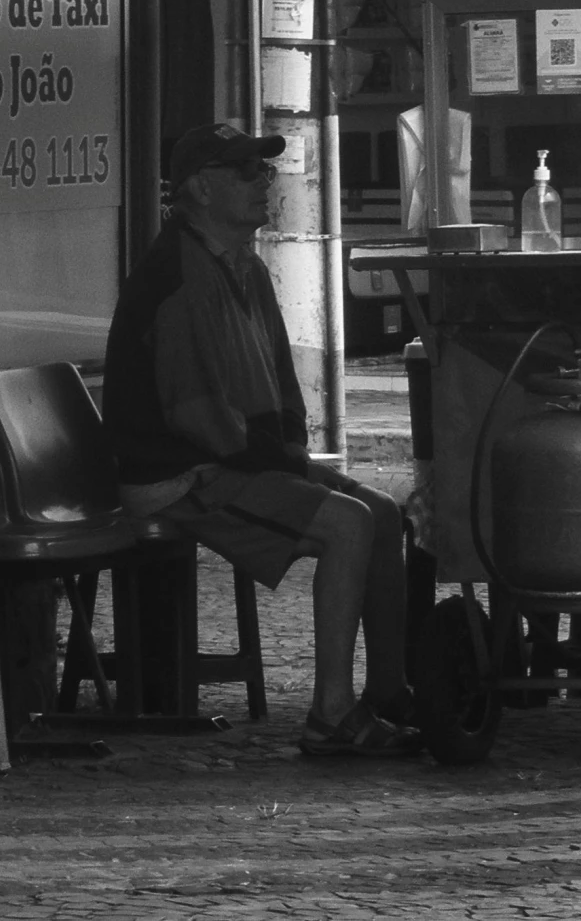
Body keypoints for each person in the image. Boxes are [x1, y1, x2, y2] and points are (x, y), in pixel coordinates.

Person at [103, 121, 418, 757]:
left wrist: (293, 456)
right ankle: (330, 715)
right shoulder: (182, 278)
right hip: (181, 475)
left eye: (263, 170)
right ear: (199, 189)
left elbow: (280, 389)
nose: (263, 183)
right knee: (350, 524)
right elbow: (199, 419)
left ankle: (390, 691)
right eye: (247, 171)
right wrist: (286, 462)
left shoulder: (244, 266)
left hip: (232, 458)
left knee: (384, 514)